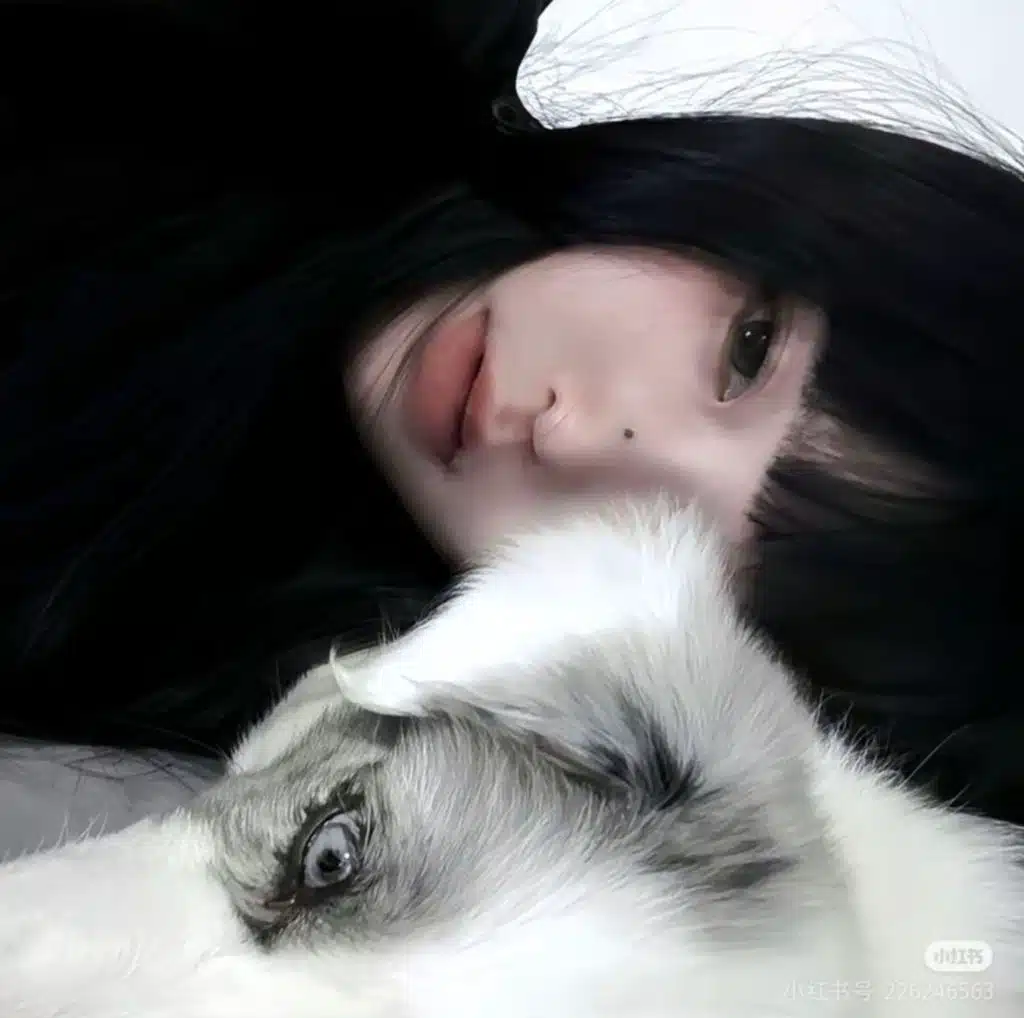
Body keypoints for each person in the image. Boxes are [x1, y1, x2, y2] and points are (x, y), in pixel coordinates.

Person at [1, 0, 1021, 828]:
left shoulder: (214, 749)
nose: (568, 437)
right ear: (788, 209)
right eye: (746, 353)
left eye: (676, 559)